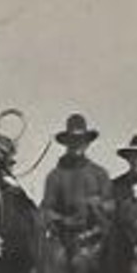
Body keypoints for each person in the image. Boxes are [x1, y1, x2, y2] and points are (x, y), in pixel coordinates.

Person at [42, 113, 113, 265]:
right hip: (65, 240)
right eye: (72, 141)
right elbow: (46, 209)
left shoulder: (99, 174)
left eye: (80, 141)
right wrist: (62, 219)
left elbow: (112, 205)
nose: (77, 146)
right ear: (66, 144)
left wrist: (98, 204)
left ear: (87, 143)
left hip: (96, 239)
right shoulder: (55, 176)